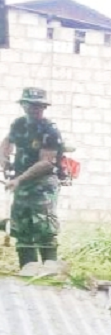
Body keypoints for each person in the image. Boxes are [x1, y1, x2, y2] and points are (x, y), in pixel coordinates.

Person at [2, 87, 65, 268]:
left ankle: (49, 267)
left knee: (44, 226)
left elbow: (46, 162)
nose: (34, 109)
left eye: (38, 106)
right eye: (30, 105)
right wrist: (4, 159)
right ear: (23, 105)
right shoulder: (19, 124)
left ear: (44, 107)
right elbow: (7, 141)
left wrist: (19, 180)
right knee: (21, 227)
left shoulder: (50, 130)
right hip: (21, 182)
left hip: (42, 184)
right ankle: (28, 267)